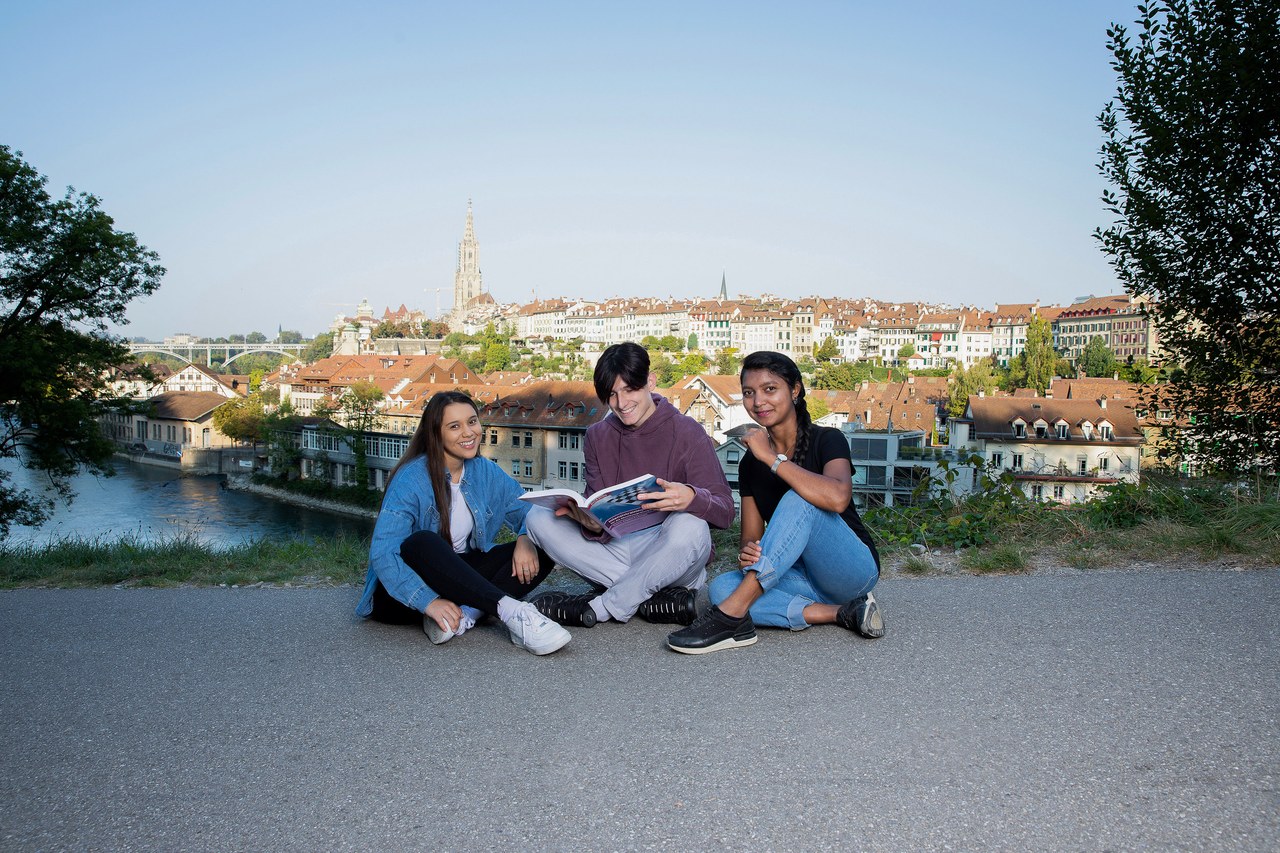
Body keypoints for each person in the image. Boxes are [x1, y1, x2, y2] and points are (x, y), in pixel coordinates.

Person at [668, 350, 885, 654]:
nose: (758, 402)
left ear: (795, 390)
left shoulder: (828, 439)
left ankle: (732, 619)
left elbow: (837, 498)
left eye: (770, 389)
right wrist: (748, 553)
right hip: (796, 576)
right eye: (748, 393)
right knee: (721, 589)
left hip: (849, 569)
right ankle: (842, 612)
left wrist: (771, 458)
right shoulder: (749, 465)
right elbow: (751, 539)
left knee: (800, 499)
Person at [524, 342, 735, 627]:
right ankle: (649, 598)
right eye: (612, 394)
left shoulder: (688, 431)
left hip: (671, 551)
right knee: (538, 518)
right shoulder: (597, 435)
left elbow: (725, 511)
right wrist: (593, 523)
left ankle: (604, 605)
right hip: (617, 548)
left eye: (630, 390)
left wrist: (692, 499)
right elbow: (598, 502)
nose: (621, 404)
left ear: (650, 381)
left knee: (691, 526)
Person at [355, 390, 572, 656]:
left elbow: (528, 510)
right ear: (436, 433)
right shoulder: (411, 479)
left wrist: (526, 538)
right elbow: (383, 554)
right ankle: (510, 612)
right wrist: (429, 602)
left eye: (472, 421)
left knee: (545, 545)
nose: (468, 433)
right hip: (401, 594)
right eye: (454, 426)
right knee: (423, 541)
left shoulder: (485, 471)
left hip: (459, 580)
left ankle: (466, 615)